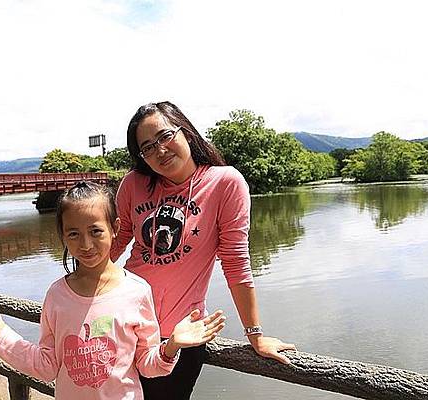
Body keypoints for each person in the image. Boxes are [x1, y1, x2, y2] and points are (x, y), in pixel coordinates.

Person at [0, 181, 226, 400]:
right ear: (63, 236)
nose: (86, 244)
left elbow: (147, 364)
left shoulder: (137, 291)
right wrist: (1, 330)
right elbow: (46, 366)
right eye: (74, 234)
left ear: (115, 229)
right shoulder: (57, 295)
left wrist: (171, 346)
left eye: (95, 231)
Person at [111, 101, 297, 399]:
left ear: (185, 131)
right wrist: (77, 296)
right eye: (147, 147)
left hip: (180, 335)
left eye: (164, 136)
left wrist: (255, 336)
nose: (159, 150)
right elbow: (114, 243)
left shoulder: (224, 183)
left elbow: (235, 262)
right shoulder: (135, 183)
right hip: (121, 324)